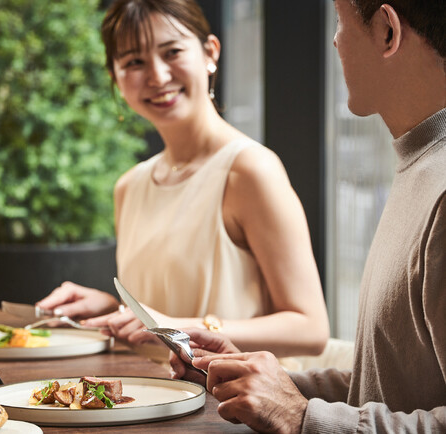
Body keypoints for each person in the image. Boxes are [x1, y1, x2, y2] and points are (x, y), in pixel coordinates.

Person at [170, 0, 446, 431]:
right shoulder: (419, 165)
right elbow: (395, 388)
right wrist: (265, 383)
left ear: (388, 31)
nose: (335, 40)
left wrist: (300, 415)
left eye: (340, 22)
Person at [37, 0, 330, 358]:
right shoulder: (129, 187)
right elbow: (160, 321)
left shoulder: (251, 170)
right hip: (148, 397)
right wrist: (111, 310)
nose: (158, 76)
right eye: (134, 62)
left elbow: (310, 328)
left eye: (172, 51)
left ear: (210, 52)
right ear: (115, 77)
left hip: (228, 405)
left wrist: (184, 326)